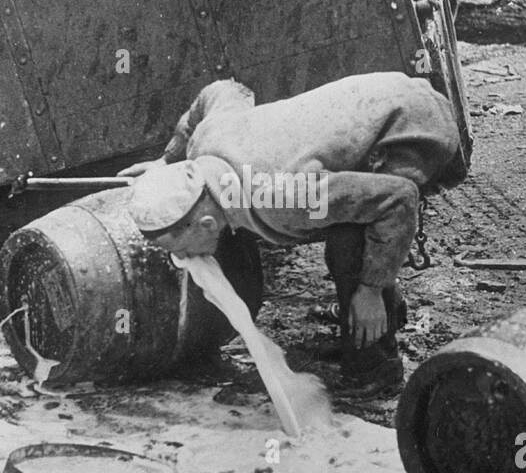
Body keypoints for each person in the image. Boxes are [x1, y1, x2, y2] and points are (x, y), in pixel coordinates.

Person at [120, 72, 462, 398]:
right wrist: (167, 161)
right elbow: (222, 91)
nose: (180, 259)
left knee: (348, 248)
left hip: (414, 124)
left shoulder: (283, 200)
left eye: (177, 249)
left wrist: (371, 289)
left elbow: (398, 198)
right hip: (369, 103)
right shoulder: (205, 143)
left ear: (207, 224)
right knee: (349, 216)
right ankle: (378, 318)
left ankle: (375, 367)